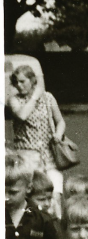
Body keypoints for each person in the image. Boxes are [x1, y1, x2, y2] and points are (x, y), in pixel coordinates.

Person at [8, 65, 67, 215]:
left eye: (22, 81)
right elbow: (22, 115)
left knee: (55, 197)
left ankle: (57, 231)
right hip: (27, 158)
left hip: (50, 156)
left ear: (32, 80)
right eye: (16, 82)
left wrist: (58, 135)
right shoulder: (14, 100)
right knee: (34, 198)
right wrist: (35, 97)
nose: (19, 85)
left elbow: (60, 121)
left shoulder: (48, 97)